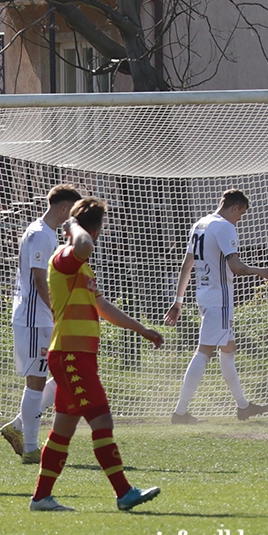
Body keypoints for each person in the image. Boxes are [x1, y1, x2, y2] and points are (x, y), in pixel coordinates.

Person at [30, 197, 163, 512]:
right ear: (95, 228)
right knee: (101, 418)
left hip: (77, 355)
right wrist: (74, 226)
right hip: (70, 355)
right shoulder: (65, 257)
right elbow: (85, 245)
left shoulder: (81, 265)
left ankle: (41, 498)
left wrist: (141, 329)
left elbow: (101, 307)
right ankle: (124, 492)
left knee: (63, 428)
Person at [165, 189, 268, 424]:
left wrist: (178, 301)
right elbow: (235, 266)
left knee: (229, 350)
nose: (240, 219)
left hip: (203, 296)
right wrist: (259, 271)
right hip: (219, 300)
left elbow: (187, 265)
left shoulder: (200, 224)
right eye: (241, 214)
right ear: (234, 208)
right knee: (204, 352)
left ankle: (243, 406)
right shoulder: (225, 226)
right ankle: (180, 412)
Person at [2, 184, 82, 464]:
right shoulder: (39, 234)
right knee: (35, 382)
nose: (73, 219)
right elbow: (38, 278)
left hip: (41, 317)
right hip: (34, 317)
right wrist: (57, 309)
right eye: (72, 212)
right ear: (63, 208)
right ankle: (31, 448)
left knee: (62, 375)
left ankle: (18, 427)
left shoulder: (46, 233)